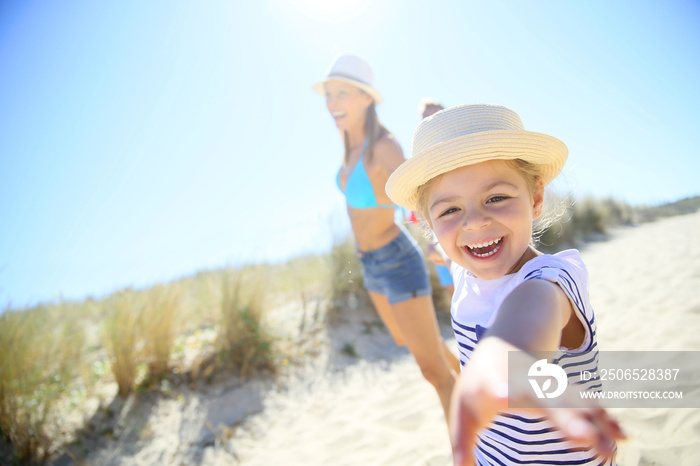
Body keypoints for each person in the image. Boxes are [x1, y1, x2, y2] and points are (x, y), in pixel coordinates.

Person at [385, 104, 625, 465]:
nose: (475, 223)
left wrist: (500, 358)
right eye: (449, 210)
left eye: (496, 198)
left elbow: (531, 313)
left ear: (536, 198)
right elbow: (446, 248)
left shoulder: (552, 278)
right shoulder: (462, 264)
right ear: (430, 224)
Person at [313, 53, 459, 419]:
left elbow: (418, 199)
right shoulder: (350, 145)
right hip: (370, 263)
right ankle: (472, 381)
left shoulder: (383, 146)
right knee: (405, 339)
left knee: (434, 374)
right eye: (328, 95)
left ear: (366, 98)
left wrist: (441, 242)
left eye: (342, 94)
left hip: (396, 258)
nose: (332, 104)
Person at [418, 98, 454, 298]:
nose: (432, 121)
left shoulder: (466, 149)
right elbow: (418, 210)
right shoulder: (420, 166)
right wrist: (430, 241)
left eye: (437, 115)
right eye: (427, 119)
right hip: (439, 241)